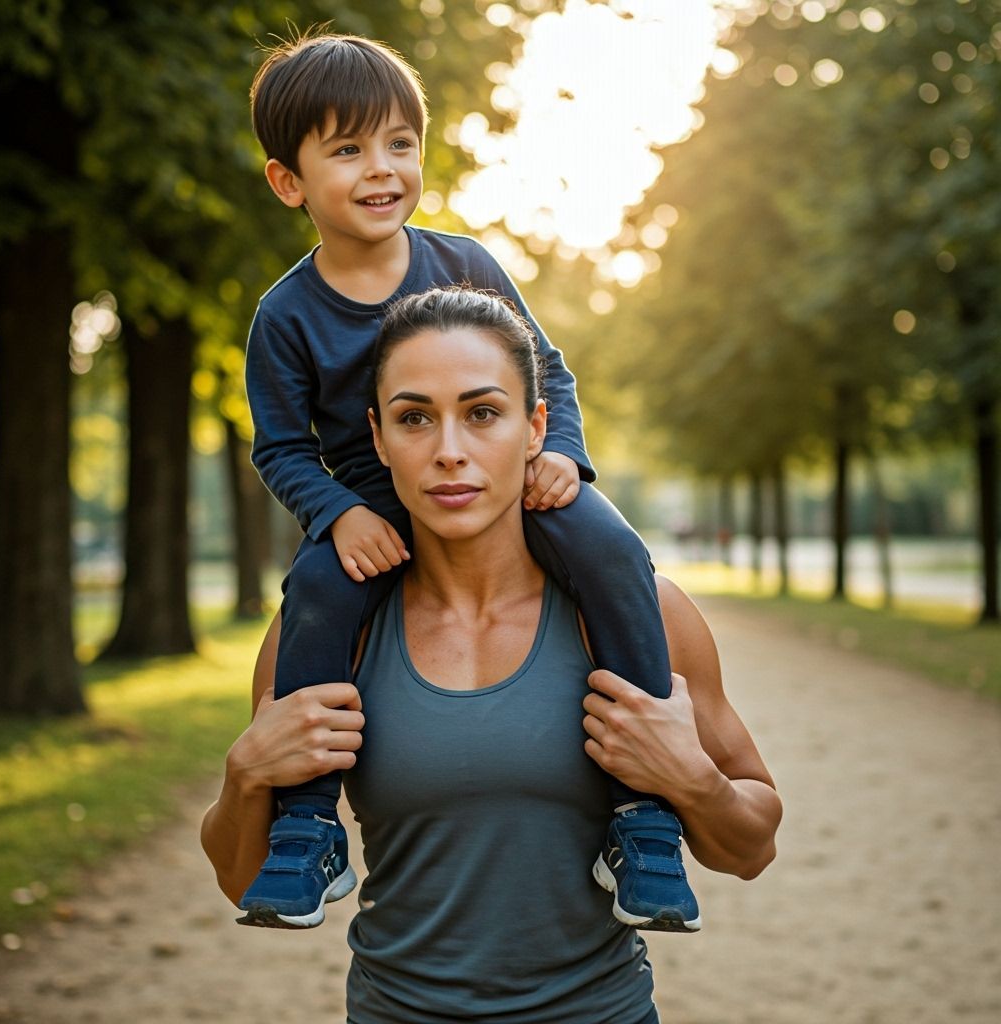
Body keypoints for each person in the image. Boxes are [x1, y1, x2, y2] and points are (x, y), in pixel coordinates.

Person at [201, 287, 782, 1023]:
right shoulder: (321, 632)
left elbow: (752, 848)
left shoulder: (645, 615)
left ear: (536, 427)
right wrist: (246, 775)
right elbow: (242, 877)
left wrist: (692, 782)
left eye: (482, 413)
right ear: (378, 440)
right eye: (415, 418)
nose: (450, 451)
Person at [240, 28, 700, 932]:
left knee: (611, 550)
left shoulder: (465, 264)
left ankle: (644, 818)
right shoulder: (286, 315)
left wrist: (559, 453)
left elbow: (549, 373)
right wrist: (335, 515)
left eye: (399, 143)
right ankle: (306, 827)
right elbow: (281, 449)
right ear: (289, 182)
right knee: (318, 595)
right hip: (374, 505)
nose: (382, 169)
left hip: (510, 478)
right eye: (347, 150)